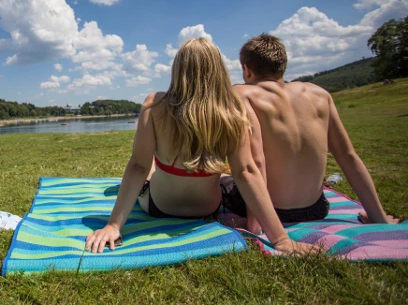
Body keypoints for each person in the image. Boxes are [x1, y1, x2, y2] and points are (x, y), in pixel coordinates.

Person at [85, 38, 315, 254]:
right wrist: (281, 239)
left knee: (150, 169)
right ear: (218, 70)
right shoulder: (233, 112)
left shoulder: (155, 105)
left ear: (177, 69)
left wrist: (113, 226)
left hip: (159, 206)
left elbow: (137, 166)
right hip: (208, 210)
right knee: (225, 176)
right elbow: (246, 172)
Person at [222, 33, 399, 233]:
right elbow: (347, 156)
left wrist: (254, 224)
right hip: (316, 209)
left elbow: (255, 162)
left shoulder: (241, 94)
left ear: (247, 70)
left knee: (222, 178)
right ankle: (377, 216)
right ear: (282, 65)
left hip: (269, 211)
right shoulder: (319, 94)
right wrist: (379, 217)